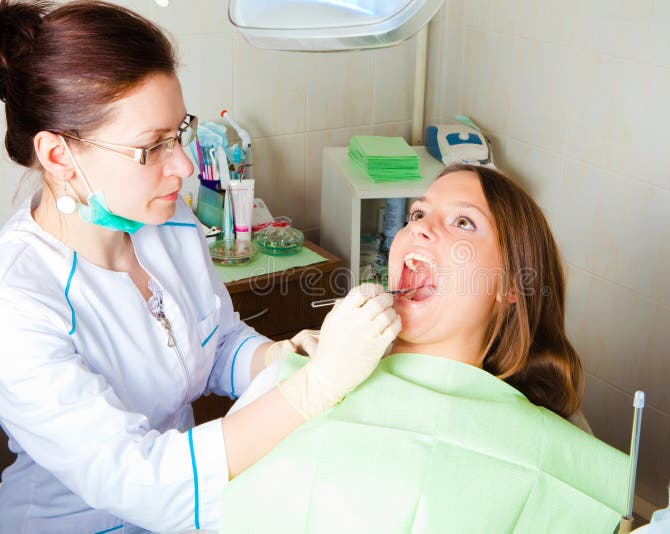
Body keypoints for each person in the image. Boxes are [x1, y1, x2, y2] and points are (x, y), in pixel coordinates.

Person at [0, 1, 400, 532]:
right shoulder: (18, 302)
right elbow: (141, 481)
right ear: (57, 157)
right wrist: (314, 389)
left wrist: (278, 356)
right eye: (153, 147)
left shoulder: (169, 223)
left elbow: (213, 345)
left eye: (179, 132)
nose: (184, 166)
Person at [221, 164, 630, 533]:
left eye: (464, 222)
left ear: (511, 285)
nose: (420, 226)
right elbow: (198, 492)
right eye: (418, 213)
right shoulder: (307, 375)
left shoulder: (547, 450)